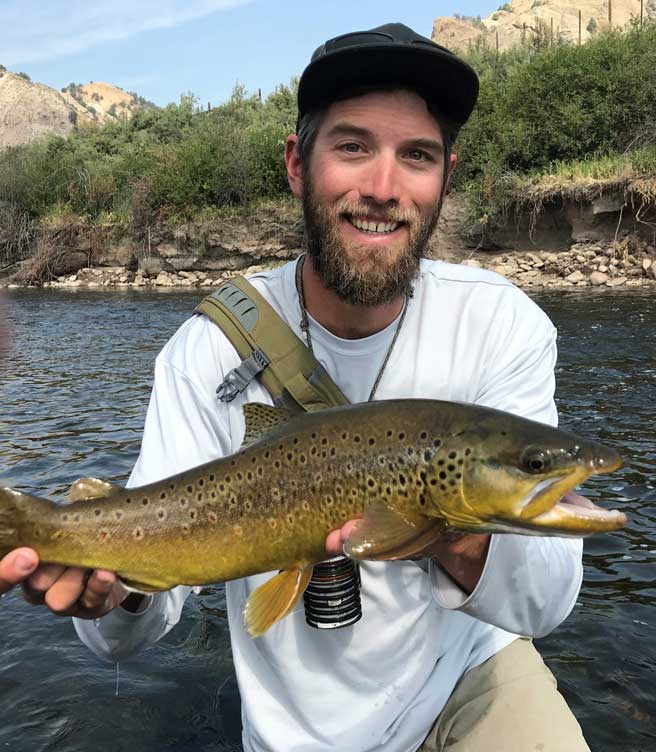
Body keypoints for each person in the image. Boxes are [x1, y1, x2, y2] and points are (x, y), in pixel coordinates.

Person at [0, 23, 592, 752]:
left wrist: (442, 531)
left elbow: (546, 601)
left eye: (417, 156)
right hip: (299, 731)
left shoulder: (501, 324)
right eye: (352, 147)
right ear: (296, 163)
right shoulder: (207, 351)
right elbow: (123, 640)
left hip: (468, 680)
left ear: (446, 176)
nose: (383, 188)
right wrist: (111, 591)